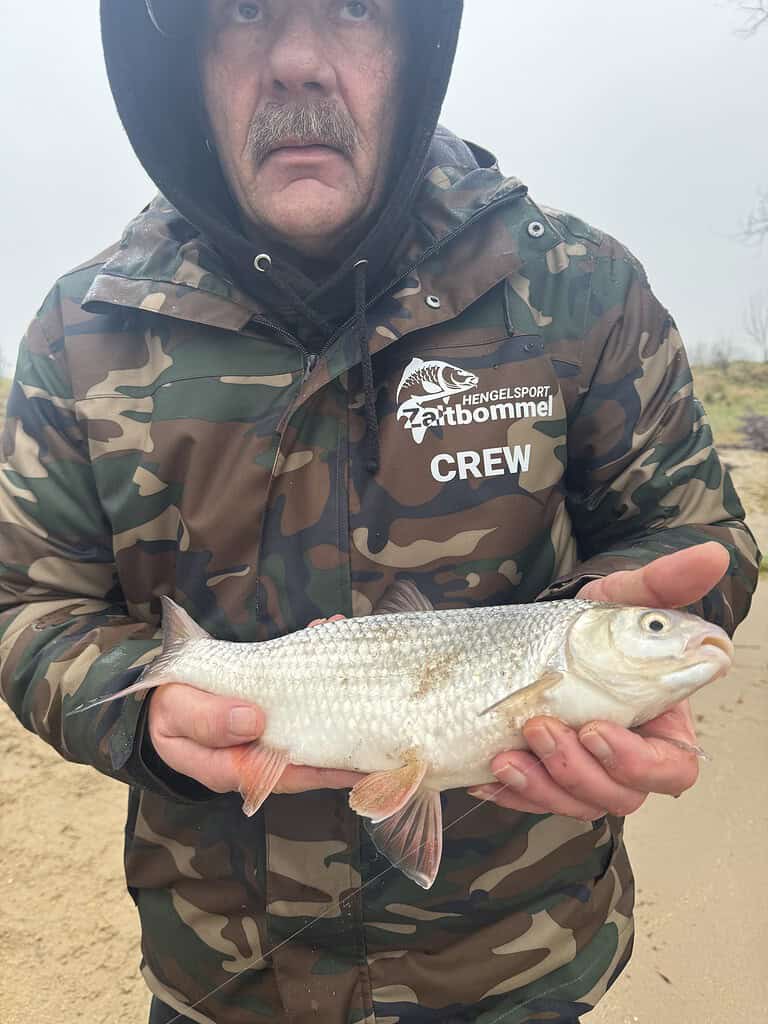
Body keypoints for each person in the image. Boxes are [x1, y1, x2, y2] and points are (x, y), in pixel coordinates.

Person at [0, 2, 759, 1022]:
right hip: (222, 978)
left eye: (355, 6)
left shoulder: (583, 287)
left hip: (521, 966)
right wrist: (143, 710)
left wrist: (651, 595)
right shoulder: (76, 332)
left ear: (416, 50)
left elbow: (696, 533)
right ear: (178, 59)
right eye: (245, 8)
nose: (299, 63)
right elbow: (25, 603)